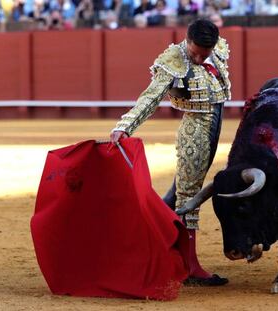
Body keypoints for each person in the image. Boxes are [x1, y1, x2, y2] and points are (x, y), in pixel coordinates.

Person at [110, 19, 231, 286]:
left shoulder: (217, 48)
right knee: (188, 195)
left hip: (215, 126)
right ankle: (189, 267)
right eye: (196, 51)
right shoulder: (173, 61)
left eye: (205, 53)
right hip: (194, 130)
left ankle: (151, 246)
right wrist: (125, 126)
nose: (199, 57)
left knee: (180, 192)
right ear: (186, 40)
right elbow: (150, 96)